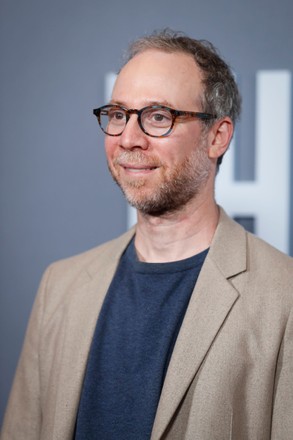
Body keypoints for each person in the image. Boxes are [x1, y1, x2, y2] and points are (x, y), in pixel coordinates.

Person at [1, 29, 293, 440]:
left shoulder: (284, 297)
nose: (129, 139)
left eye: (158, 116)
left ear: (217, 137)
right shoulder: (59, 287)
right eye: (119, 115)